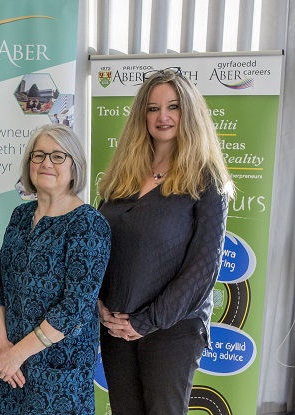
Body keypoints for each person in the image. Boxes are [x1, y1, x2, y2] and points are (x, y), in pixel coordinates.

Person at [97, 67, 233, 414]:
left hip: (172, 330)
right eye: (153, 107)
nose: (163, 116)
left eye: (173, 107)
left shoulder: (206, 179)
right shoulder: (121, 177)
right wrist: (98, 303)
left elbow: (203, 267)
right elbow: (97, 245)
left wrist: (147, 321)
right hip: (115, 326)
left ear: (188, 112)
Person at [0, 124, 111, 414]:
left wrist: (17, 353)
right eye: (38, 155)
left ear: (74, 165)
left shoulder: (88, 224)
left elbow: (75, 308)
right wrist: (3, 348)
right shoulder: (20, 216)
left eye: (57, 156)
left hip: (59, 376)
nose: (45, 163)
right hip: (10, 371)